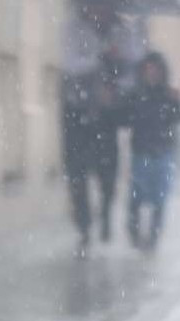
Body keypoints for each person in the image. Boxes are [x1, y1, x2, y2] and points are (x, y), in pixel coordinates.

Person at [62, 0, 144, 253]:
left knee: (108, 168)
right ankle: (84, 228)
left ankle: (106, 210)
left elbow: (135, 70)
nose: (99, 9)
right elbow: (70, 63)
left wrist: (116, 86)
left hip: (108, 113)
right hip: (77, 108)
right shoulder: (72, 28)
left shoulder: (124, 30)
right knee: (76, 172)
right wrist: (100, 58)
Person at [121, 52, 180, 250]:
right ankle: (135, 234)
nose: (152, 73)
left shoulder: (168, 96)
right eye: (148, 69)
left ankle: (153, 239)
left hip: (162, 154)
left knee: (159, 199)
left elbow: (175, 117)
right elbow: (123, 118)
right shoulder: (136, 95)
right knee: (136, 197)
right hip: (141, 153)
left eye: (155, 69)